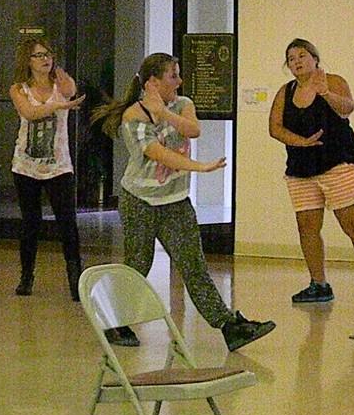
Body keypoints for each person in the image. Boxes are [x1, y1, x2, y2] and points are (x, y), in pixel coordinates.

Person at [91, 53, 275, 352]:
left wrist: (162, 111)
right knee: (138, 263)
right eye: (173, 75)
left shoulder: (183, 104)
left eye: (178, 74)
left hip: (175, 202)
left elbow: (193, 130)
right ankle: (115, 322)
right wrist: (199, 167)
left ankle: (229, 327)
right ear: (152, 82)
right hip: (140, 200)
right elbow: (156, 153)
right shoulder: (132, 116)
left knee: (194, 267)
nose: (180, 80)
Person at [268, 38, 354, 305]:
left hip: (337, 162)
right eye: (291, 58)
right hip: (300, 168)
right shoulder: (285, 92)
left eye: (302, 55)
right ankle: (318, 285)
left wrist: (326, 94)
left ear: (315, 59)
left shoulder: (334, 80)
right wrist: (301, 142)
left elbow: (347, 109)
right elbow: (275, 128)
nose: (297, 61)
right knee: (307, 226)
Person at [9, 38, 86, 300]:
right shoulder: (18, 89)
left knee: (68, 222)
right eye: (38, 55)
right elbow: (29, 113)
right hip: (26, 165)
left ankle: (76, 280)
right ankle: (26, 276)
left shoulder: (62, 85)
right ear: (27, 61)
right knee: (31, 222)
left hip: (59, 166)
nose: (45, 59)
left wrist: (66, 94)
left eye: (48, 54)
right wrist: (57, 106)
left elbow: (71, 92)